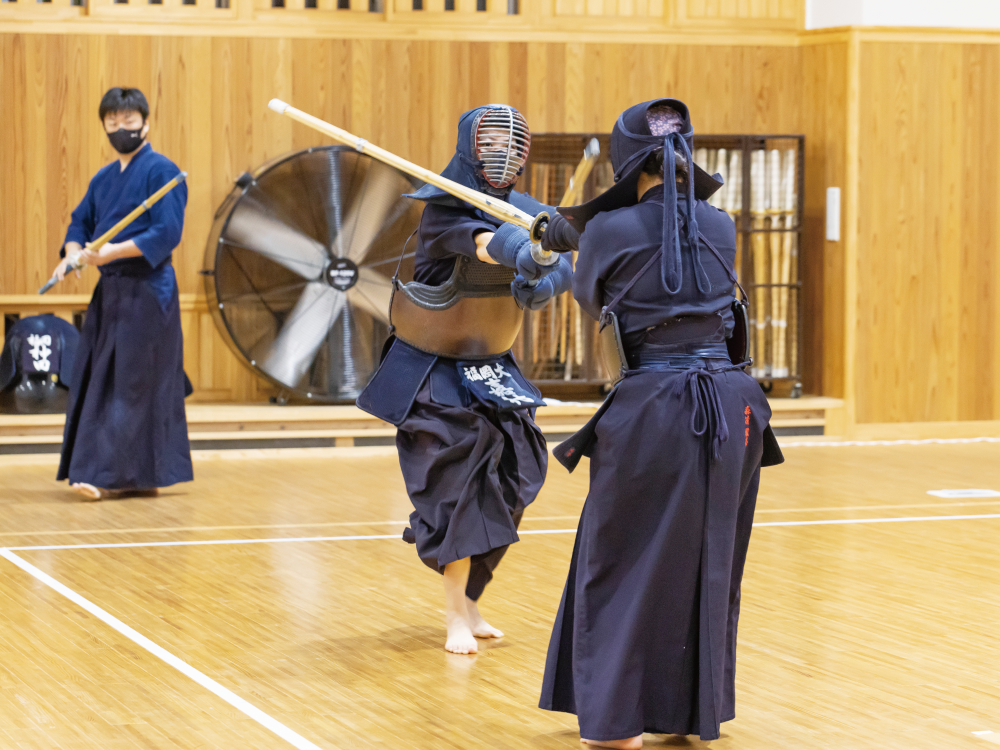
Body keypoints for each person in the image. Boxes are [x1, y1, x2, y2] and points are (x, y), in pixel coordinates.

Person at [538, 99, 784, 747]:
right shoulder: (723, 223)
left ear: (625, 160)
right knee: (707, 554)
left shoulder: (610, 229)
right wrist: (586, 233)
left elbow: (593, 299)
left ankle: (617, 722)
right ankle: (686, 715)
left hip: (656, 406)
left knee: (618, 556)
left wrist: (568, 240)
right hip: (736, 406)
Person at [357, 104, 572, 655]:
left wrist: (548, 273)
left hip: (490, 365)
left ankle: (471, 598)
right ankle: (454, 615)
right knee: (459, 486)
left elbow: (564, 262)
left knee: (519, 470)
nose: (502, 153)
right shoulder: (443, 210)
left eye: (511, 143)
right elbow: (485, 243)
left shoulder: (527, 209)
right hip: (433, 372)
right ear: (469, 145)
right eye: (491, 142)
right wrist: (529, 251)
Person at [52, 87, 192, 501]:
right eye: (112, 123)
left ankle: (108, 475)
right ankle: (134, 473)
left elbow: (166, 233)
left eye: (128, 121)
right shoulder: (103, 177)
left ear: (145, 123)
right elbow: (80, 223)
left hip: (149, 292)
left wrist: (112, 251)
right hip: (110, 291)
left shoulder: (163, 171)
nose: (120, 129)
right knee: (101, 378)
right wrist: (75, 253)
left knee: (133, 384)